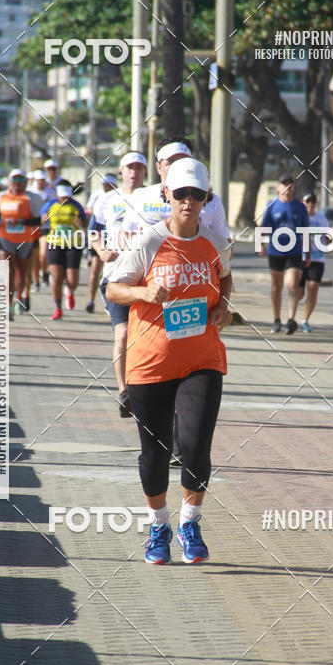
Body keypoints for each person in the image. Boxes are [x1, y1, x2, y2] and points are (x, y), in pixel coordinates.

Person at [106, 157, 232, 565]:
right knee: (155, 454)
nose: (189, 202)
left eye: (198, 195)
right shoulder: (147, 241)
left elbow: (225, 278)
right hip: (151, 362)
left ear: (207, 198)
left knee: (195, 447)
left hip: (202, 358)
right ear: (167, 195)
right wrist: (143, 295)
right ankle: (158, 525)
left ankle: (190, 522)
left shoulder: (215, 242)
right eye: (181, 194)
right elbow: (113, 290)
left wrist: (224, 306)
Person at [91, 152, 147, 416]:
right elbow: (93, 232)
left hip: (149, 280)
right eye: (129, 167)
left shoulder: (155, 199)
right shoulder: (108, 199)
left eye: (139, 167)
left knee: (146, 339)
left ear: (147, 172)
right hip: (115, 278)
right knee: (123, 334)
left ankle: (146, 389)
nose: (134, 172)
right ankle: (124, 392)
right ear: (121, 171)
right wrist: (102, 252)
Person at [258, 176, 309, 334]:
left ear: (293, 188)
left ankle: (291, 320)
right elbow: (263, 226)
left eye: (290, 185)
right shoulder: (272, 205)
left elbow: (305, 231)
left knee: (293, 284)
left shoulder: (300, 207)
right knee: (276, 287)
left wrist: (307, 253)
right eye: (284, 185)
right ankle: (276, 319)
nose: (287, 187)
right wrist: (261, 244)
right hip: (275, 251)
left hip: (294, 252)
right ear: (278, 188)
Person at [0, 169, 42, 320]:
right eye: (14, 180)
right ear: (9, 182)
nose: (17, 183)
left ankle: (19, 297)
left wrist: (21, 221)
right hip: (5, 238)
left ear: (26, 182)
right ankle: (7, 306)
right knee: (8, 271)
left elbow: (37, 221)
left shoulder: (32, 198)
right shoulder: (1, 197)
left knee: (22, 275)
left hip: (25, 240)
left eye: (21, 180)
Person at [41, 178, 87, 320]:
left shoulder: (76, 206)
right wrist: (44, 219)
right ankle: (58, 308)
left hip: (73, 245)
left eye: (67, 195)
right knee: (56, 278)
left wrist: (80, 223)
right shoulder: (50, 205)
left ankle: (69, 290)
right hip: (55, 244)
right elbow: (41, 220)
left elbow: (85, 224)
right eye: (62, 194)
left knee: (72, 280)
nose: (65, 197)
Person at [85, 174, 119, 314]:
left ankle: (110, 300)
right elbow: (91, 224)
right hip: (100, 238)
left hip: (115, 242)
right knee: (95, 270)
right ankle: (91, 300)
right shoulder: (98, 196)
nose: (107, 187)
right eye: (105, 184)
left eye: (110, 185)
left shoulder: (122, 197)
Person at [297, 192, 329, 332]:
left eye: (313, 202)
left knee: (313, 288)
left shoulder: (321, 219)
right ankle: (291, 315)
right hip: (299, 258)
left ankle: (305, 320)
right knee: (299, 293)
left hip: (317, 258)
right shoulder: (298, 217)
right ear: (302, 203)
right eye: (308, 201)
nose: (311, 204)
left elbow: (329, 234)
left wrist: (330, 239)